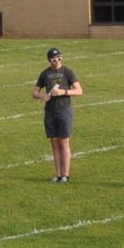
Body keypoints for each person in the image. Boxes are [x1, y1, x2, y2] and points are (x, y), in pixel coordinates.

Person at [35, 46, 83, 182]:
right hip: (50, 111)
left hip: (64, 110)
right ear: (49, 60)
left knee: (64, 142)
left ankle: (65, 175)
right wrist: (42, 96)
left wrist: (64, 92)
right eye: (54, 59)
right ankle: (58, 174)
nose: (57, 61)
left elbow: (79, 90)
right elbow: (34, 92)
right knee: (54, 142)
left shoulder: (67, 71)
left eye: (59, 58)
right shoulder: (45, 74)